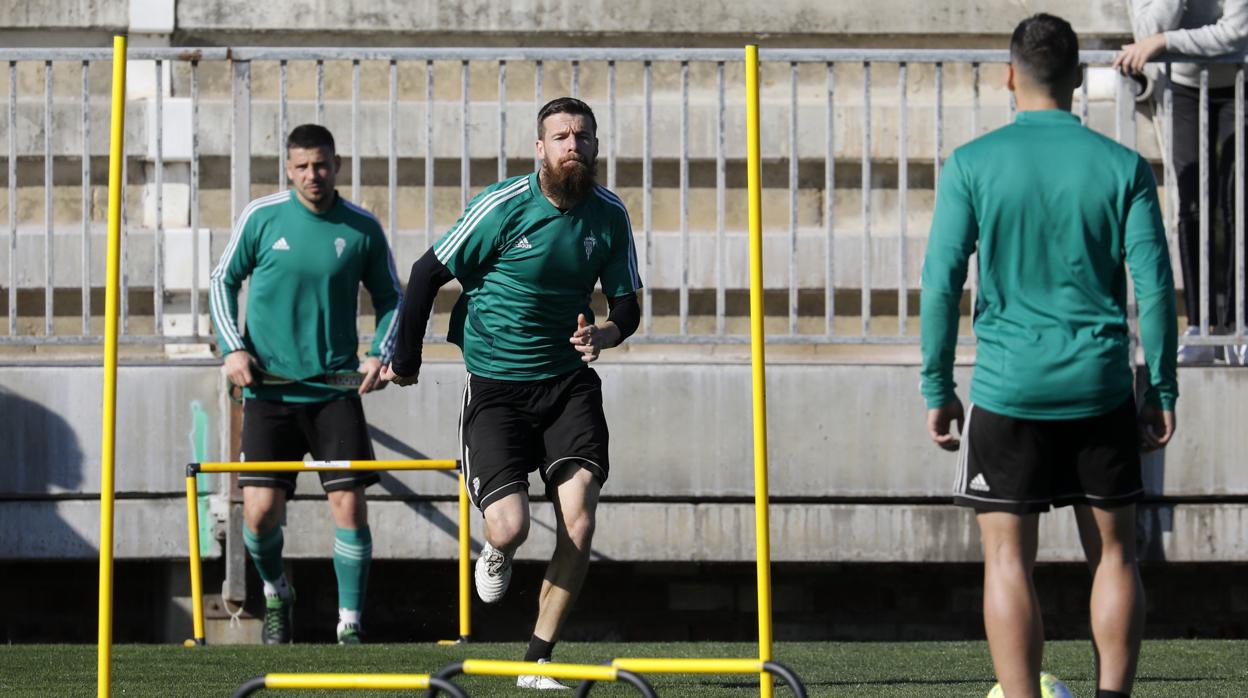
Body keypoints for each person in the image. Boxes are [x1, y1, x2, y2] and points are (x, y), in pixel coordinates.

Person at [921, 14, 1178, 698]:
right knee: (1116, 555)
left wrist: (936, 385)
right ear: (1076, 83)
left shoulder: (972, 164)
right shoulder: (1123, 167)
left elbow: (941, 281)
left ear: (1011, 76)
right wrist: (1163, 390)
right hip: (1100, 388)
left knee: (1007, 562)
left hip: (1008, 390)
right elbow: (1155, 288)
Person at [382, 97, 641, 689]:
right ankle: (496, 549)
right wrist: (407, 359)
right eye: (560, 136)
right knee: (511, 528)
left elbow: (627, 303)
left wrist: (603, 333)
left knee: (579, 520)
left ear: (596, 146)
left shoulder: (609, 214)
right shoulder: (502, 206)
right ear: (539, 148)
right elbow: (426, 274)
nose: (572, 144)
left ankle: (537, 662)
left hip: (568, 386)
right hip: (497, 388)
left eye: (582, 135)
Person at [209, 124, 402, 645]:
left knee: (349, 506)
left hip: (334, 391)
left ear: (336, 165)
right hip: (269, 393)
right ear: (288, 169)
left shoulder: (361, 227)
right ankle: (276, 594)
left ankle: (350, 626)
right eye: (301, 166)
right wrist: (233, 348)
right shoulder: (262, 216)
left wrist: (380, 353)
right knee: (259, 512)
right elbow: (221, 280)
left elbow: (393, 299)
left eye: (320, 165)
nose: (312, 175)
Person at [1115, 0, 1248, 364]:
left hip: (1238, 78)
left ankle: (1239, 325)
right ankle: (1199, 324)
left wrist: (1165, 42)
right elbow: (1146, 33)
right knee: (1190, 205)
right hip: (1182, 87)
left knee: (1237, 201)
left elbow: (1236, 34)